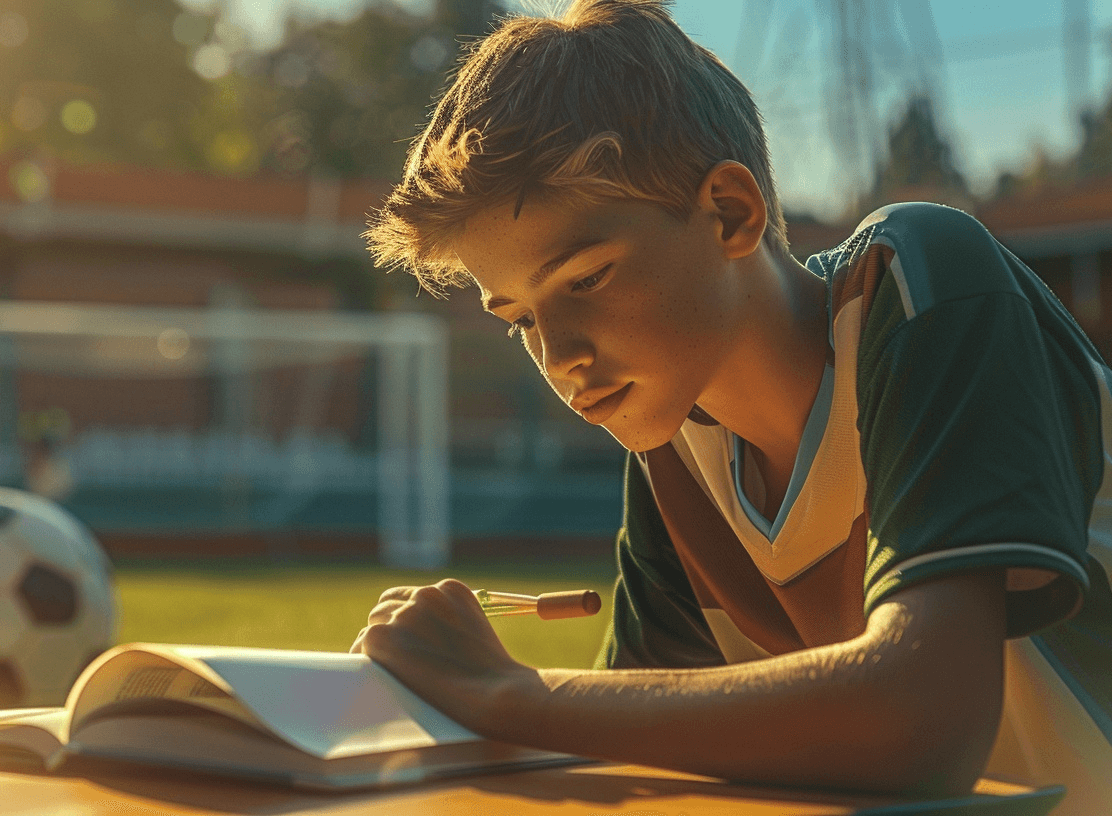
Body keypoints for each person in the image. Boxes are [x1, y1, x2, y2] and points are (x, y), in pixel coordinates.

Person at [355, 1, 1112, 811]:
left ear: (729, 213)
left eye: (586, 279)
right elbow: (642, 755)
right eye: (521, 320)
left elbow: (925, 723)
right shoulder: (677, 450)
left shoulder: (921, 285)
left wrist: (508, 694)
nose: (559, 355)